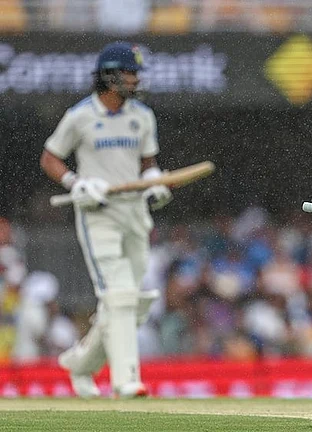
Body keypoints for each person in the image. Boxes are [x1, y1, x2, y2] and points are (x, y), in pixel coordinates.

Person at [40, 42, 170, 398]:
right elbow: (50, 158)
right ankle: (126, 379)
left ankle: (81, 363)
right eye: (130, 72)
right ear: (110, 75)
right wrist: (76, 182)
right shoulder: (81, 115)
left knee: (134, 300)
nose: (135, 79)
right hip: (98, 215)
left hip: (134, 213)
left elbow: (148, 164)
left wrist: (154, 185)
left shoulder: (142, 116)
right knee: (120, 295)